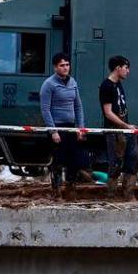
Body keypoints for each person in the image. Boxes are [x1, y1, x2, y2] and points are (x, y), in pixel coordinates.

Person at [40, 52, 86, 200]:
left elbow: (78, 106)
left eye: (67, 64)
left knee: (73, 160)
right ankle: (56, 190)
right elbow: (45, 109)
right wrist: (53, 131)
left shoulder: (73, 82)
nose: (65, 68)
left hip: (71, 127)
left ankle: (70, 188)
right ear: (55, 67)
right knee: (58, 160)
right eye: (62, 65)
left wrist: (80, 127)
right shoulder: (49, 84)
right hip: (57, 127)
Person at [99, 55, 138, 200]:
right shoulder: (106, 86)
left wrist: (128, 126)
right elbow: (108, 113)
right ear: (117, 68)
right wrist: (125, 125)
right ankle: (112, 195)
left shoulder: (118, 84)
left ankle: (129, 193)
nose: (128, 71)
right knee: (116, 163)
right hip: (114, 131)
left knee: (132, 160)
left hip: (126, 129)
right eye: (126, 68)